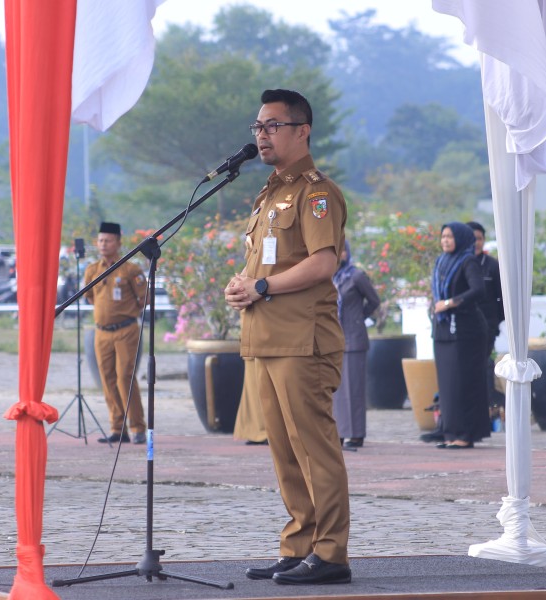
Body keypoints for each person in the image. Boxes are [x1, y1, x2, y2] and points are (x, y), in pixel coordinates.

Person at [224, 89, 352, 586]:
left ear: (302, 131)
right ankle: (299, 546)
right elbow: (266, 264)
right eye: (258, 127)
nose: (262, 135)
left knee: (313, 449)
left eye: (272, 125)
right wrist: (244, 283)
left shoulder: (316, 193)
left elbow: (323, 262)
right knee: (283, 451)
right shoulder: (270, 193)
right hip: (266, 339)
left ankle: (331, 553)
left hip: (304, 341)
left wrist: (263, 286)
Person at [83, 222, 148, 445]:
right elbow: (90, 297)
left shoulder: (131, 270)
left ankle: (138, 427)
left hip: (126, 330)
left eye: (108, 240)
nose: (103, 244)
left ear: (119, 243)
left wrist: (124, 313)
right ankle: (117, 428)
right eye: (100, 240)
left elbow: (144, 298)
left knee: (125, 378)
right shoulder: (92, 269)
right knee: (108, 380)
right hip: (101, 332)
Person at [431, 222, 490, 449]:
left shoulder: (468, 261)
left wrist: (449, 303)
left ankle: (465, 434)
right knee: (447, 386)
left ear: (461, 239)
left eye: (450, 236)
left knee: (462, 383)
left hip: (467, 331)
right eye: (443, 236)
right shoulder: (441, 262)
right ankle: (451, 432)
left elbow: (478, 291)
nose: (445, 240)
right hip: (444, 330)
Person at [332, 240, 380, 449]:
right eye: (336, 250)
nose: (339, 254)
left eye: (342, 250)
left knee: (354, 388)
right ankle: (340, 432)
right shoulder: (328, 277)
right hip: (333, 338)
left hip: (354, 338)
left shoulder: (356, 276)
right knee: (337, 390)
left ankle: (356, 433)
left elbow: (374, 301)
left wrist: (359, 317)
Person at [467, 221, 505, 407]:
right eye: (473, 239)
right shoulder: (459, 264)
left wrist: (497, 321)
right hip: (464, 323)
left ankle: (487, 405)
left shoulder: (492, 266)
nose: (476, 243)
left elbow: (502, 297)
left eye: (480, 239)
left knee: (484, 363)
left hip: (487, 324)